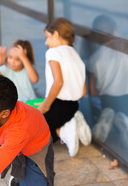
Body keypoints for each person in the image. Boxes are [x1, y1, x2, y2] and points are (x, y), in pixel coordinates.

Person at [87, 15, 128, 149]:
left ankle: (113, 122)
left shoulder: (93, 58)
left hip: (107, 100)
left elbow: (92, 92)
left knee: (109, 112)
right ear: (115, 29)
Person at [38, 17, 91, 157]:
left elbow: (58, 82)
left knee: (34, 136)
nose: (46, 42)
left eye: (47, 37)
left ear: (55, 34)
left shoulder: (52, 53)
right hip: (73, 106)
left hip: (57, 105)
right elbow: (83, 91)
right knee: (45, 136)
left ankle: (64, 131)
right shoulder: (76, 55)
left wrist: (45, 105)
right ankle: (69, 123)